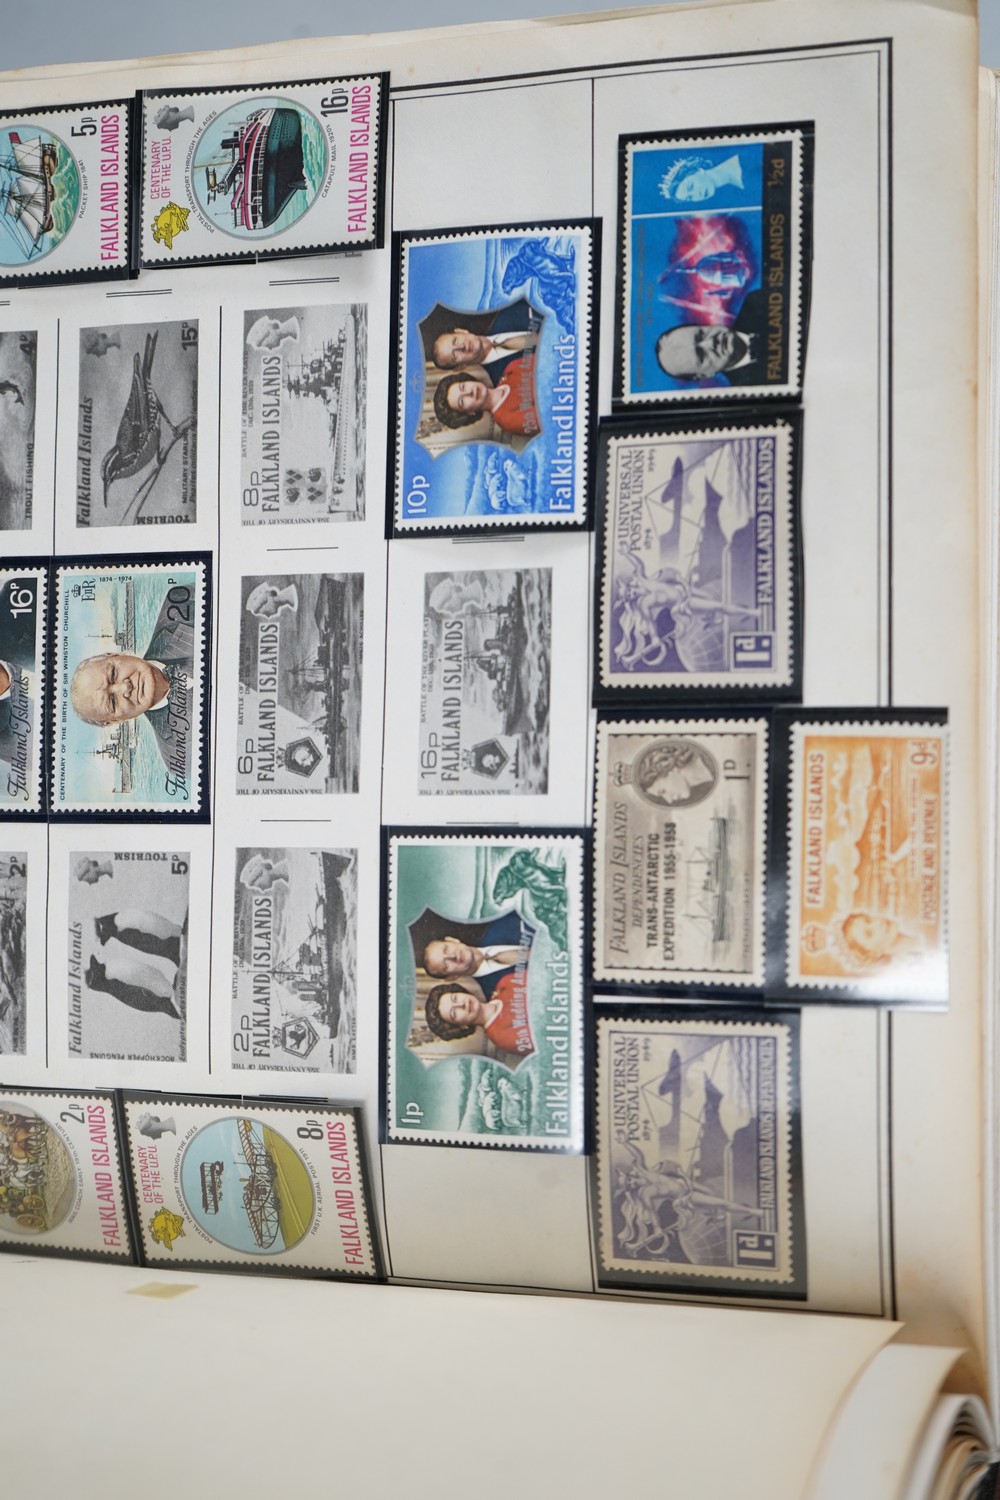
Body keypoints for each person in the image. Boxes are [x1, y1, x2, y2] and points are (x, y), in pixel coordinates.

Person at [69, 584, 197, 773]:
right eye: (113, 702)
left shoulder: (179, 602)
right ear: (115, 721)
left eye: (113, 674)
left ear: (116, 654)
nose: (125, 688)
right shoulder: (177, 758)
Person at [655, 290, 767, 386]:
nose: (710, 343)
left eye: (701, 335)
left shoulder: (757, 301)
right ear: (705, 375)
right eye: (701, 355)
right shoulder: (748, 392)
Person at [422, 912, 530, 1001]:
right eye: (445, 965)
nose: (452, 956)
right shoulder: (497, 996)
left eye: (446, 949)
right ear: (452, 977)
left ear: (453, 940)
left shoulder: (501, 920)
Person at [423, 973, 535, 1057]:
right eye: (454, 1013)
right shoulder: (503, 1038)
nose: (461, 1004)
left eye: (455, 998)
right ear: (462, 1026)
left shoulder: (504, 983)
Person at [433, 356, 540, 438]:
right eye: (462, 401)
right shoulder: (508, 420)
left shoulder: (510, 369)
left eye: (463, 387)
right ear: (469, 413)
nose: (469, 392)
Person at [431, 303, 539, 382]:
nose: (461, 347)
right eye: (454, 356)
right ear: (461, 367)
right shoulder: (503, 379)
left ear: (461, 331)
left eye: (455, 340)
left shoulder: (508, 311)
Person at [659, 152, 744, 204]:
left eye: (691, 186)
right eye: (690, 198)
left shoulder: (744, 160)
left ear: (698, 170)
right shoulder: (736, 197)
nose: (697, 195)